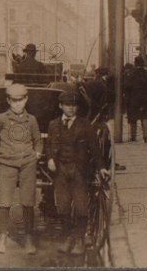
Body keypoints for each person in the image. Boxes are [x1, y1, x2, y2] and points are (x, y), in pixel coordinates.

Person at [0, 84, 42, 255]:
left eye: (21, 100)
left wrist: (37, 154)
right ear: (8, 101)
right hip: (7, 163)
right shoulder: (1, 118)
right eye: (14, 101)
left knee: (28, 201)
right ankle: (2, 237)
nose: (18, 104)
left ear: (26, 99)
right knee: (5, 201)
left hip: (27, 164)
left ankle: (29, 238)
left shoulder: (31, 120)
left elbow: (38, 140)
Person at [47, 85, 105, 255]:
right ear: (60, 106)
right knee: (63, 207)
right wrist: (50, 158)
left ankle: (79, 239)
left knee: (80, 207)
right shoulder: (53, 125)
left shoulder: (85, 125)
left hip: (80, 170)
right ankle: (68, 238)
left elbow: (95, 148)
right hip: (61, 171)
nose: (71, 108)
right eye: (67, 105)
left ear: (77, 107)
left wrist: (101, 167)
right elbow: (48, 145)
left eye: (74, 105)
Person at [124, 56, 147, 143]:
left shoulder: (130, 74)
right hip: (146, 99)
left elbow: (126, 87)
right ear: (143, 63)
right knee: (145, 117)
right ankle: (146, 137)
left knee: (133, 118)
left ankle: (133, 136)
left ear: (135, 63)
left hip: (133, 100)